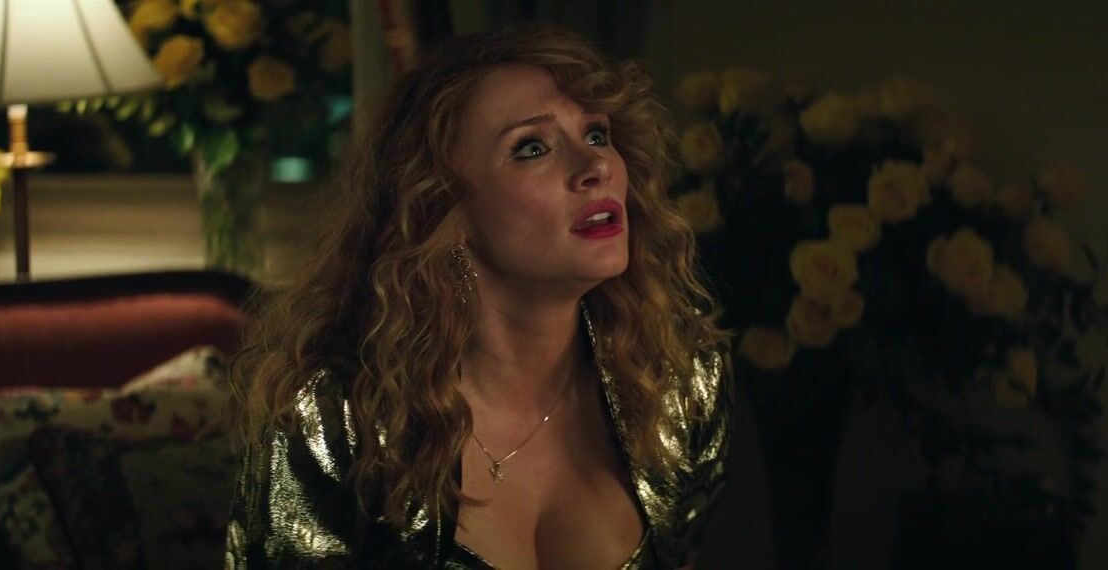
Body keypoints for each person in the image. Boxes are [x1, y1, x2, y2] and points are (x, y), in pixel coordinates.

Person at [224, 24, 733, 569]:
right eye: (532, 148)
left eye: (596, 135)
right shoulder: (334, 418)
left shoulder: (678, 381)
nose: (596, 167)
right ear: (443, 209)